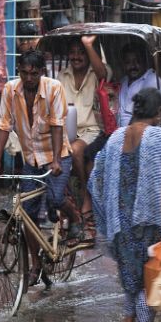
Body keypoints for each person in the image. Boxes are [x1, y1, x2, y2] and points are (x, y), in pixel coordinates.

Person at [88, 88, 161, 322]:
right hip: (148, 221)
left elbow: (96, 178)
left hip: (120, 223)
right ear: (160, 112)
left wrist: (106, 211)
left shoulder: (115, 137)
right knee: (149, 282)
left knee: (132, 279)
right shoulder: (160, 137)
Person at [0, 50, 78, 284]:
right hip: (30, 159)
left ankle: (74, 217)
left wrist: (57, 160)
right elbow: (4, 125)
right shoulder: (10, 90)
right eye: (24, 73)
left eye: (34, 74)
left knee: (56, 198)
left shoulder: (54, 88)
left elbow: (58, 125)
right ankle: (36, 265)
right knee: (27, 214)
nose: (29, 78)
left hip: (56, 155)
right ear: (19, 70)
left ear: (42, 73)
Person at [59, 35, 111, 245]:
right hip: (67, 129)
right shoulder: (62, 75)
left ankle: (84, 194)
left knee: (76, 150)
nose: (76, 57)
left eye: (81, 53)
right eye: (73, 53)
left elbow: (103, 74)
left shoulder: (96, 71)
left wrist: (89, 46)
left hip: (92, 130)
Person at [117, 45, 161, 127]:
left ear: (144, 61)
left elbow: (143, 116)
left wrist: (124, 135)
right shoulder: (124, 81)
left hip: (140, 134)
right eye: (128, 62)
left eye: (137, 61)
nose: (133, 66)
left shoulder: (152, 80)